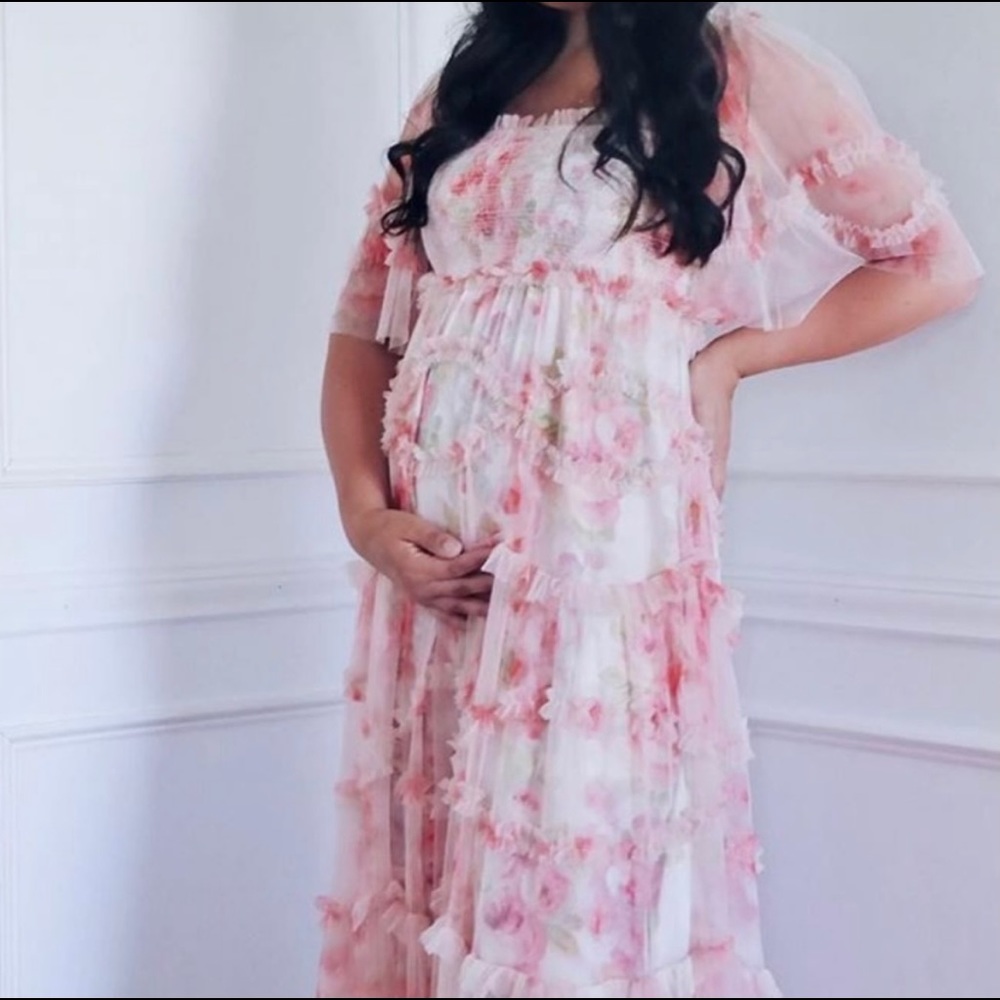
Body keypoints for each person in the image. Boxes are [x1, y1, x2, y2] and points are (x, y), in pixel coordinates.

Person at [316, 2, 981, 997]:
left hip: (597, 557)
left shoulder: (729, 61)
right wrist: (366, 517)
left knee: (571, 875)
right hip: (438, 568)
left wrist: (731, 359)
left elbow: (936, 267)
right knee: (449, 864)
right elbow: (365, 325)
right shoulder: (467, 83)